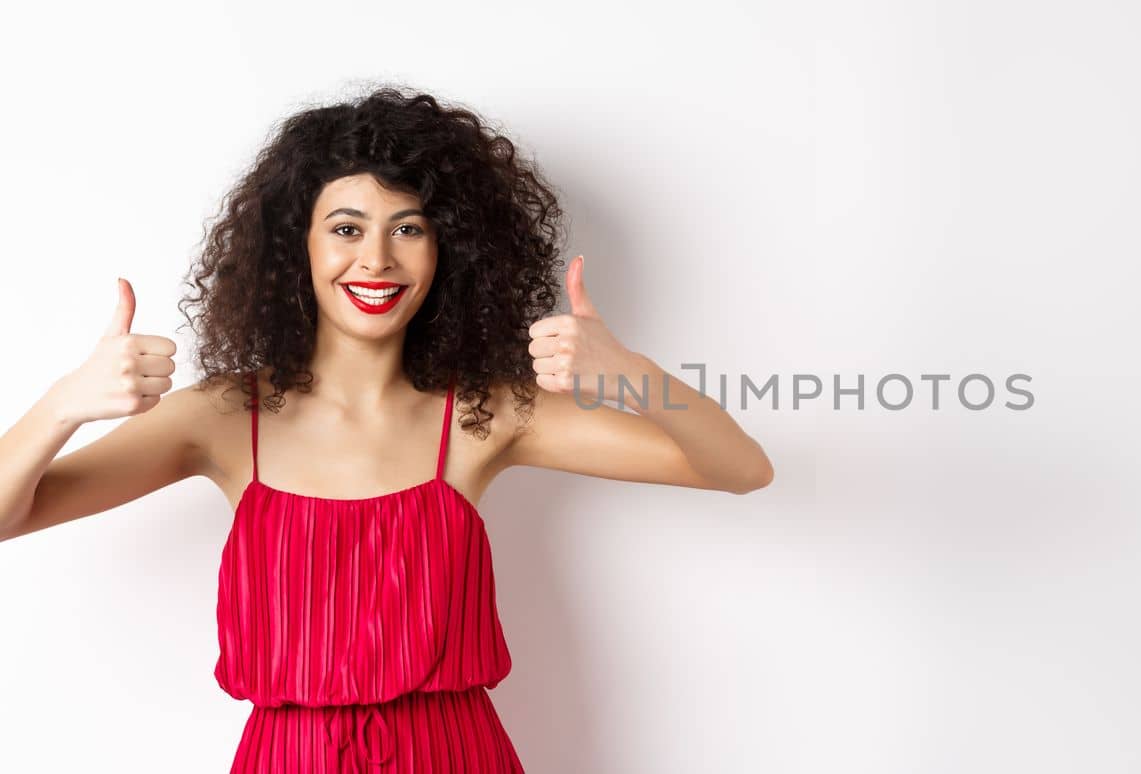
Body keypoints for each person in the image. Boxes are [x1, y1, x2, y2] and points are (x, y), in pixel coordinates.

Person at [0, 85, 774, 772]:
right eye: (345, 228)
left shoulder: (485, 414)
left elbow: (738, 467)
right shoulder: (224, 419)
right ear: (293, 245)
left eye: (408, 229)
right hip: (287, 760)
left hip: (456, 756)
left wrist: (631, 374)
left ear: (450, 252)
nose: (375, 259)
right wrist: (63, 403)